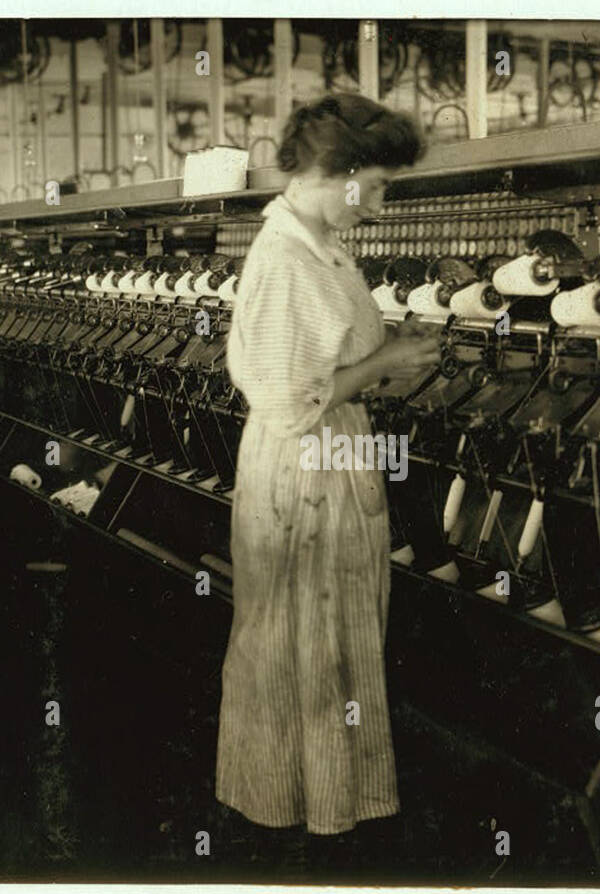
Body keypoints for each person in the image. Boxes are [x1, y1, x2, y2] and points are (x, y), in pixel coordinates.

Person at [217, 93, 439, 840]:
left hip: (329, 457)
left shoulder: (318, 245)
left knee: (324, 645)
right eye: (374, 186)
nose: (378, 206)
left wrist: (379, 363)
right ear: (333, 171)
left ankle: (322, 804)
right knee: (302, 647)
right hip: (307, 467)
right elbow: (286, 397)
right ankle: (290, 824)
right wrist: (388, 360)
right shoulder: (286, 257)